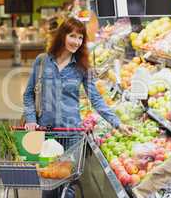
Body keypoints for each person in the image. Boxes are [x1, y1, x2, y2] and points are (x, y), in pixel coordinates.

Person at [23, 17, 133, 198]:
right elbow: (28, 95)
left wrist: (117, 123)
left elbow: (96, 99)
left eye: (80, 38)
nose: (76, 41)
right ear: (62, 36)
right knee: (49, 183)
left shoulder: (82, 67)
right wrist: (31, 120)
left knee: (69, 185)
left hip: (72, 133)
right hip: (46, 132)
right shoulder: (42, 61)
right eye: (72, 36)